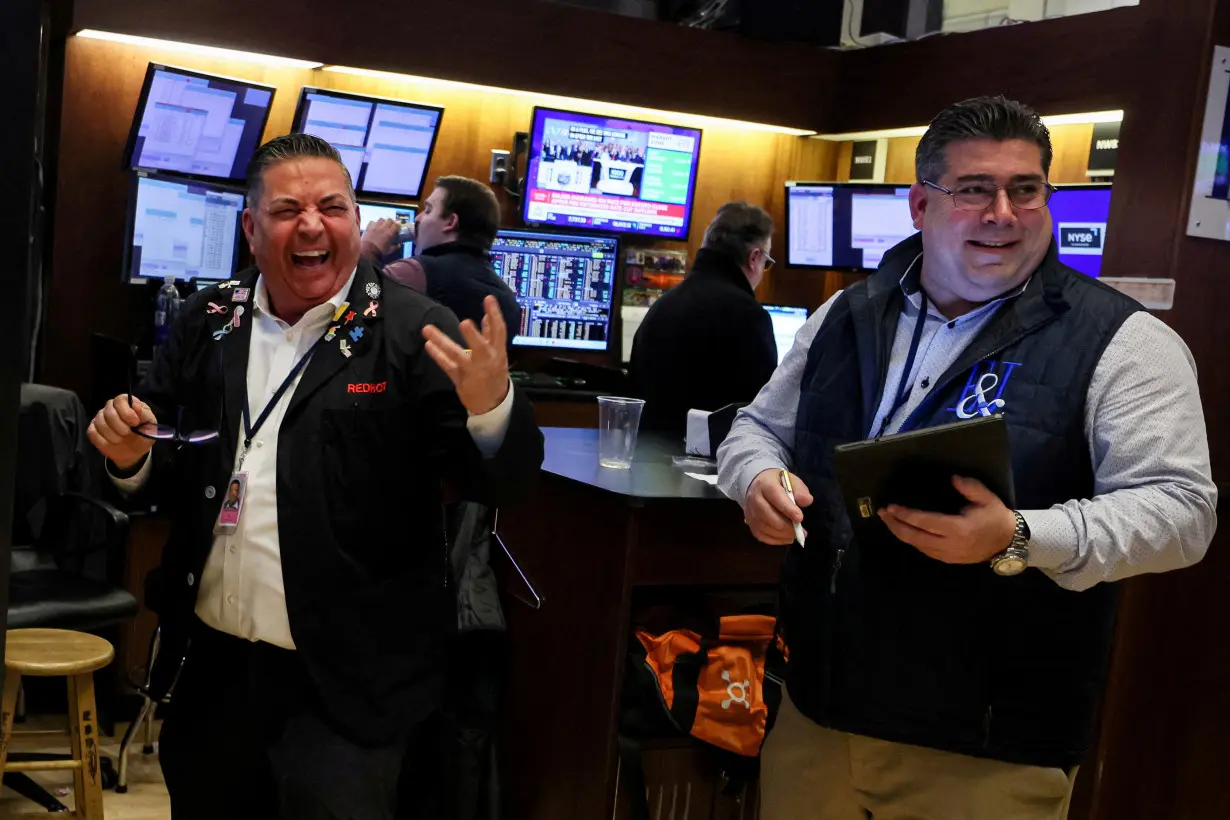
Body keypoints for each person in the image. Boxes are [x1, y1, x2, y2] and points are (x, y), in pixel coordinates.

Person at [716, 96, 1217, 820]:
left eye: (1026, 189)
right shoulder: (845, 315)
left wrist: (1019, 536)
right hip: (818, 716)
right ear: (921, 204)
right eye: (975, 190)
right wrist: (757, 478)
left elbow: (1182, 513)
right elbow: (757, 429)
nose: (1003, 213)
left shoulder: (1125, 342)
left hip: (989, 747)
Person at [87, 133, 544, 820]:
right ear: (250, 228)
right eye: (287, 209)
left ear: (356, 222)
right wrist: (132, 459)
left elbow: (501, 487)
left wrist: (492, 408)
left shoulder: (415, 331)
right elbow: (169, 461)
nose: (311, 225)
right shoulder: (208, 320)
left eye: (332, 206)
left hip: (350, 692)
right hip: (215, 673)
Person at [628, 201, 778, 435]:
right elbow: (762, 414)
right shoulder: (749, 316)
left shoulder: (663, 306)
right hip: (708, 464)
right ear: (754, 257)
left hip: (646, 459)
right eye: (766, 264)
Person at [360, 176, 521, 341]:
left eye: (428, 210)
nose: (418, 219)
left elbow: (352, 309)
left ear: (451, 222)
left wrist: (368, 248)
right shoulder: (509, 303)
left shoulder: (413, 273)